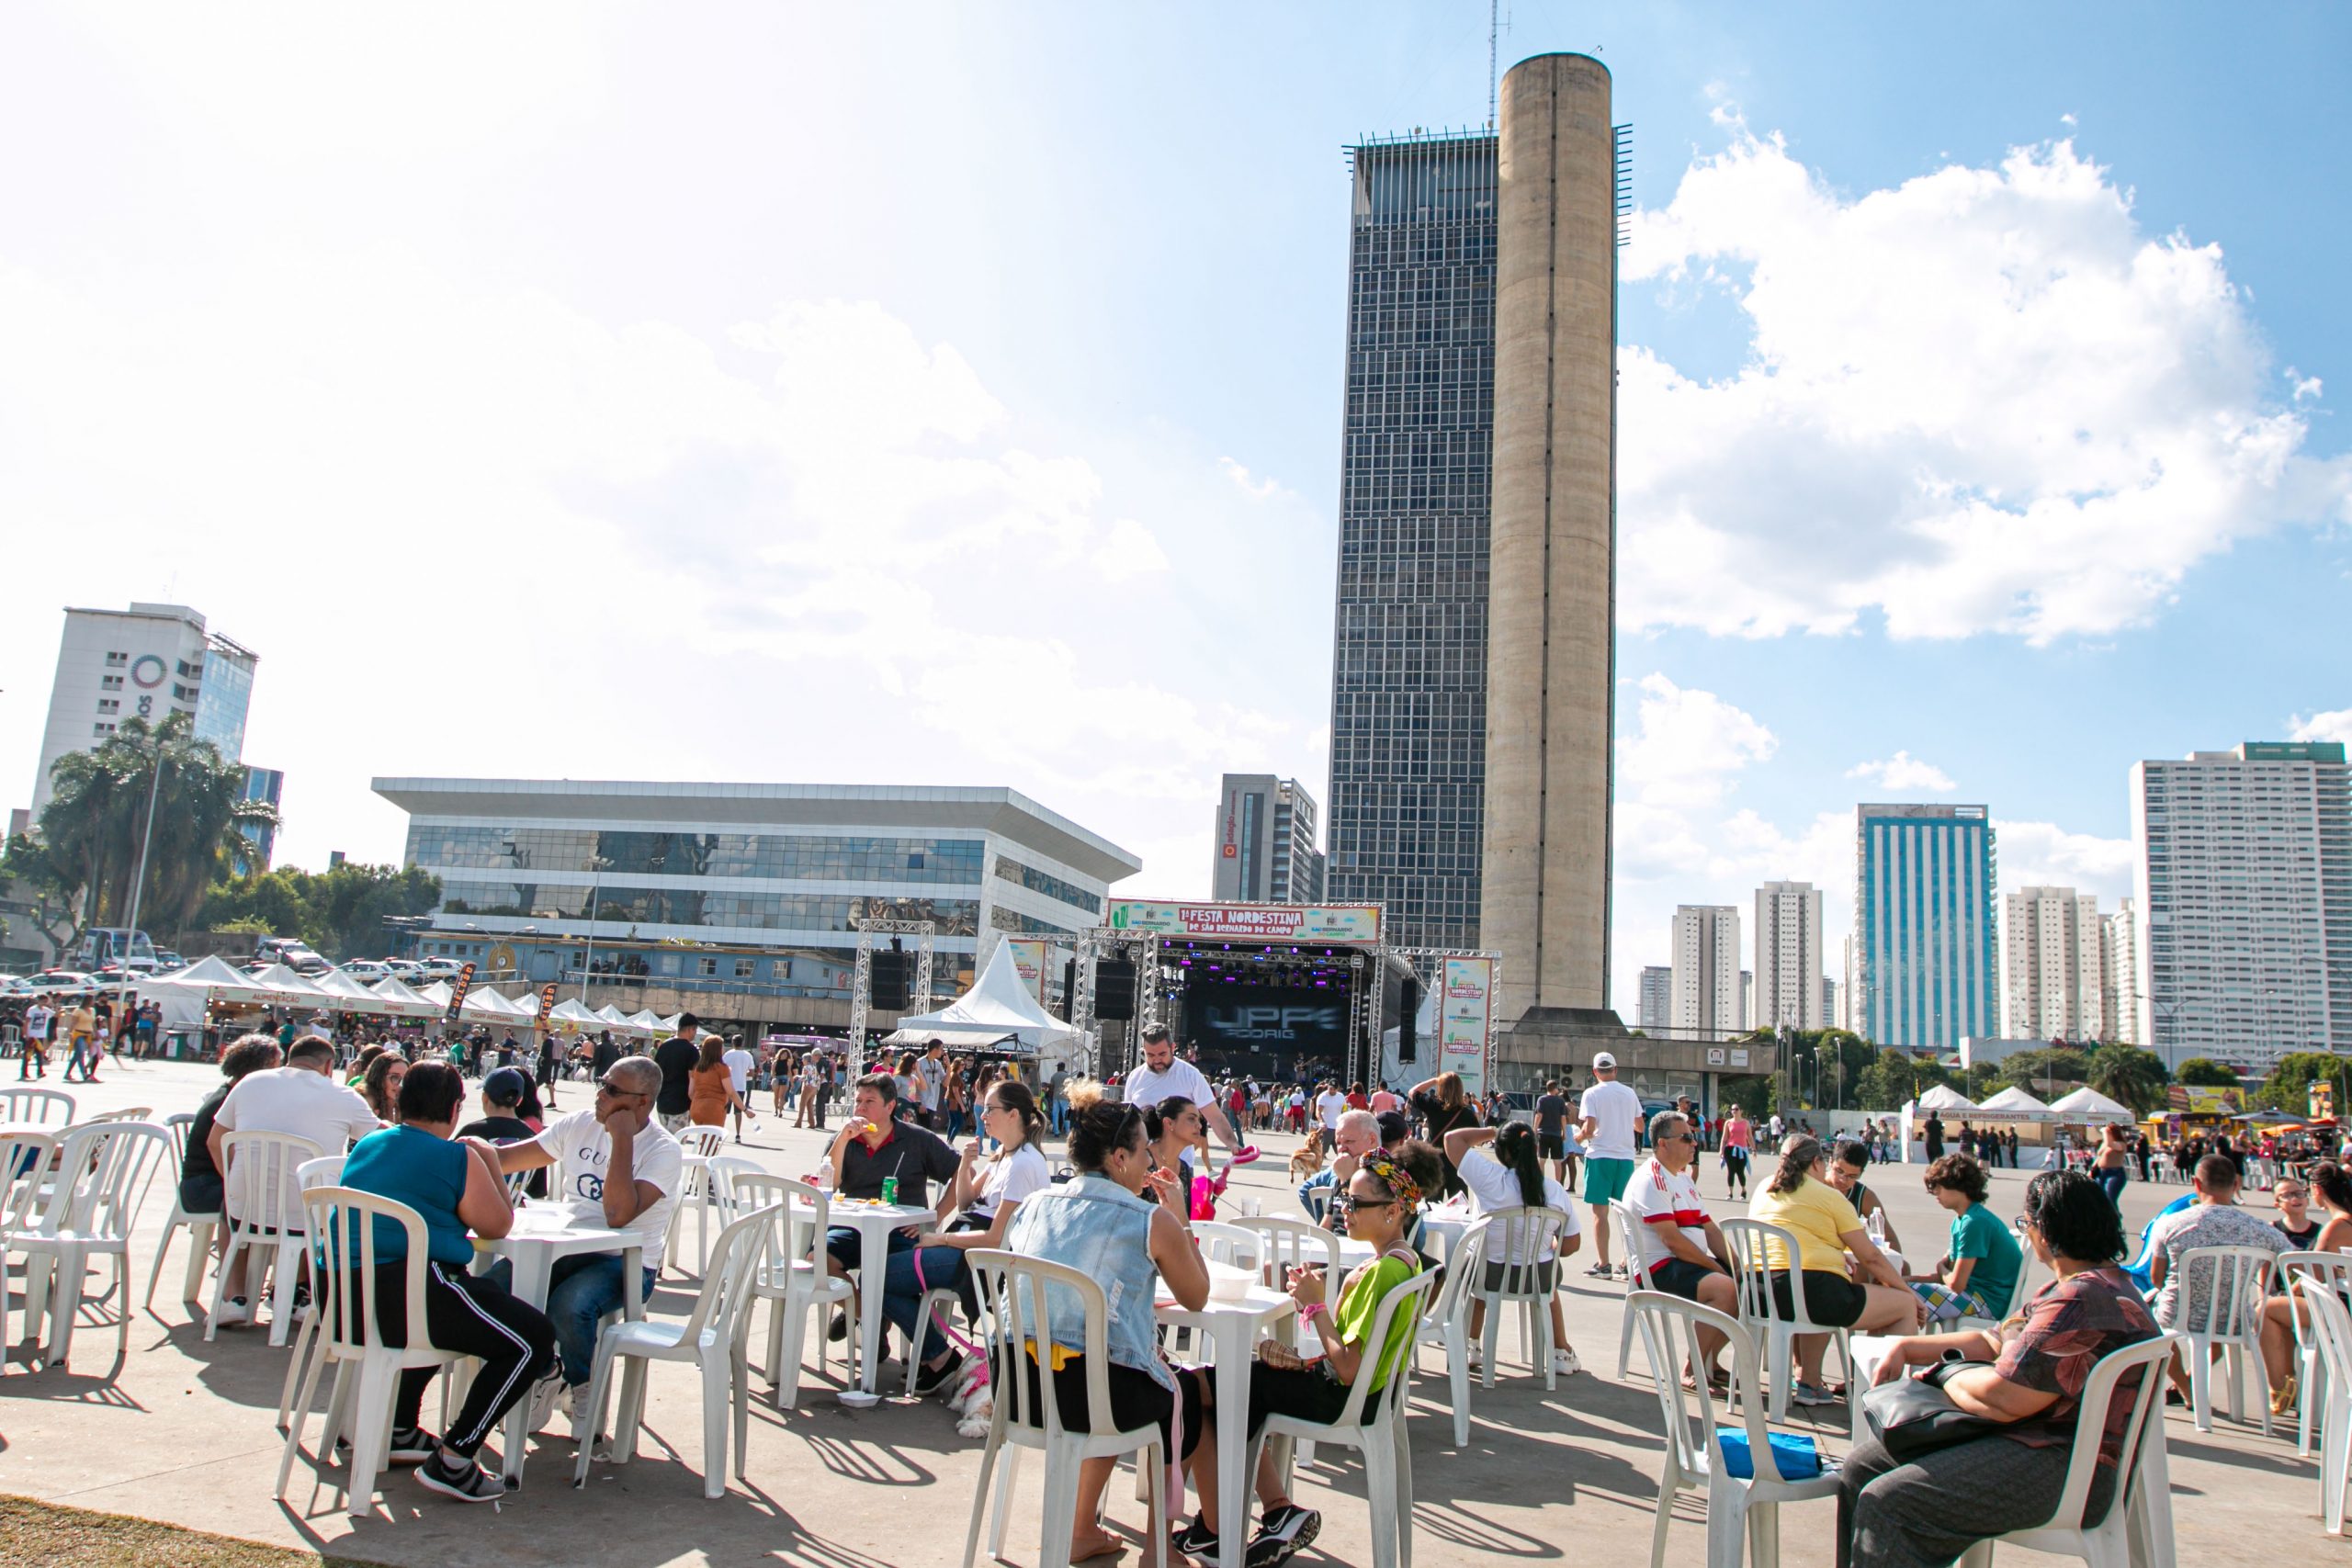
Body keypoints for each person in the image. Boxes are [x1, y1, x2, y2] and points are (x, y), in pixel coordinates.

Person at [1842, 1169, 2160, 1568]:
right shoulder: (2097, 1285)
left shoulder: (2079, 1300)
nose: (2027, 1232)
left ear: (2044, 1230)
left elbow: (2002, 1399)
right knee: (1861, 1468)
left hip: (2063, 1467)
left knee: (1891, 1501)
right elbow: (1996, 1338)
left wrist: (1948, 1373)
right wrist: (1909, 1347)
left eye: (2027, 1224)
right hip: (2046, 1447)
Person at [1180, 1147, 1425, 1568]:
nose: (1345, 1209)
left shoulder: (1384, 1272)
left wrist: (1317, 1307)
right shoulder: (1405, 1261)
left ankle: (1225, 1525)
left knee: (1201, 1387)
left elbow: (1347, 1367)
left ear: (1393, 1211)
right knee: (1220, 1387)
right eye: (1344, 1199)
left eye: (1356, 1203)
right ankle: (1268, 1514)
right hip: (1366, 1395)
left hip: (1339, 1395)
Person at [1004, 1087, 1210, 1565]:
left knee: (1105, 1362)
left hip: (1021, 1390)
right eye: (1144, 1151)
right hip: (1090, 1397)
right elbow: (1197, 1297)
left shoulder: (1033, 1205)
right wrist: (1178, 1217)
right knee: (1182, 1396)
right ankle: (1159, 1548)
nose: (1149, 1160)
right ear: (1119, 1158)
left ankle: (1080, 1531)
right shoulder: (1150, 1219)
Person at [339, 1061, 559, 1504]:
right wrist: (486, 1159)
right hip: (408, 1299)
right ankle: (457, 1457)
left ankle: (400, 1428)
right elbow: (498, 1225)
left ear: (400, 1102)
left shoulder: (368, 1144)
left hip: (346, 1299)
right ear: (457, 1108)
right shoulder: (455, 1156)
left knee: (477, 1300)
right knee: (531, 1339)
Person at [494, 1055, 682, 1429]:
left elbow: (618, 1214)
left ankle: (583, 1387)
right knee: (492, 1291)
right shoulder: (579, 1124)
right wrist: (464, 1151)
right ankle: (548, 1371)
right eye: (601, 1082)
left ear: (642, 1102)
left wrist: (622, 1137)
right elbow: (510, 1159)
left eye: (612, 1090)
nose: (599, 1094)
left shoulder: (663, 1150)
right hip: (566, 1248)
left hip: (626, 1262)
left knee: (571, 1303)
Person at [884, 1079, 1051, 1396]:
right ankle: (936, 1356)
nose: (983, 1114)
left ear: (1013, 1114)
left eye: (990, 1109)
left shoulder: (1023, 1163)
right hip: (969, 1250)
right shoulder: (1005, 1154)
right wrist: (965, 1166)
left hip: (981, 1260)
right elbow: (966, 1204)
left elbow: (995, 1236)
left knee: (879, 1276)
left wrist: (940, 1240)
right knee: (884, 1273)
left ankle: (939, 1357)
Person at [207, 1034, 385, 1328]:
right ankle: (304, 1295)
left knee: (231, 1207)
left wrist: (234, 1182)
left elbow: (216, 1141)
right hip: (306, 1215)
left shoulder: (250, 1083)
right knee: (325, 1200)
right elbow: (380, 1141)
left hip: (246, 1207)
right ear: (329, 1066)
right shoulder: (343, 1096)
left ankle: (233, 1297)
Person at [1750, 1134, 1920, 1402]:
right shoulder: (1830, 1198)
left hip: (1758, 1293)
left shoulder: (1764, 1188)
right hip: (1810, 1295)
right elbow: (1872, 1258)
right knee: (1901, 1306)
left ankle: (1810, 1382)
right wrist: (1909, 1294)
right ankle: (1881, 1396)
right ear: (1819, 1162)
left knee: (1826, 1283)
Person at [2145, 1153, 2295, 1406]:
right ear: (2236, 1184)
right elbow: (2294, 1260)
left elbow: (2156, 1278)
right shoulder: (2258, 1228)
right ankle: (2190, 1382)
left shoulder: (2170, 1223)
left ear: (2196, 1184)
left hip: (2180, 1312)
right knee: (2217, 1327)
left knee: (2153, 1329)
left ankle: (2186, 1387)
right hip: (2235, 1317)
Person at [820, 1074, 961, 1336]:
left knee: (881, 1276)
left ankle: (878, 1326)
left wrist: (935, 1217)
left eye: (869, 1101)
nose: (860, 1108)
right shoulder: (844, 1139)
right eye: (858, 1101)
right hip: (853, 1226)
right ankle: (869, 1318)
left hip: (901, 1229)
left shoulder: (917, 1139)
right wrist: (842, 1140)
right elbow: (827, 1185)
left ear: (890, 1106)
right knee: (817, 1261)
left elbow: (963, 1172)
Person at [1446, 1121, 1584, 1376]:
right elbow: (1572, 1245)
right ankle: (1561, 1350)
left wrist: (1493, 1131)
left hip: (1490, 1275)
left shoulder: (1490, 1179)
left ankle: (1471, 1344)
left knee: (1479, 1261)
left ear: (1503, 1151)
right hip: (1537, 1278)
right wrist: (1548, 1245)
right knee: (1550, 1273)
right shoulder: (1554, 1190)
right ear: (1535, 1149)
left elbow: (1452, 1139)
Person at [1630, 1111, 1741, 1384]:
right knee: (1726, 1289)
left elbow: (1710, 1228)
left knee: (1750, 1284)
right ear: (1663, 1143)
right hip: (1658, 1267)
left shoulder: (1683, 1177)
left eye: (1695, 1137)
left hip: (1687, 1261)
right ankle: (1692, 1367)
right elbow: (1673, 1241)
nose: (1695, 1143)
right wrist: (1716, 1267)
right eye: (1687, 1138)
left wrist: (1739, 1266)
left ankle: (1708, 1361)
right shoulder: (1652, 1178)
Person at [176, 1034, 284, 1269]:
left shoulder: (231, 1093)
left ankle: (261, 1279)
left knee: (273, 1198)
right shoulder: (227, 1101)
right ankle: (242, 1284)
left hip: (208, 1183)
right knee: (272, 1203)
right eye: (277, 1067)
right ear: (261, 1069)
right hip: (202, 1188)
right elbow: (221, 1152)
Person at [1910, 1153, 2024, 1325]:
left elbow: (1955, 1283)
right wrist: (1909, 1279)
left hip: (1985, 1302)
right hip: (1973, 1295)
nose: (1935, 1193)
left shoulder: (1974, 1222)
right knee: (1901, 1289)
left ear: (1957, 1185)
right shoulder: (1964, 1220)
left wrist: (1940, 1267)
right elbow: (1950, 1277)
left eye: (1939, 1186)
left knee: (1902, 1298)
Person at [1124, 1025, 1247, 1157]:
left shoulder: (1190, 1075)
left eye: (1162, 1054)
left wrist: (1232, 1143)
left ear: (1173, 1047)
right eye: (1150, 1055)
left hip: (1180, 1164)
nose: (1157, 1060)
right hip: (1143, 1162)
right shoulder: (1135, 1077)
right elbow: (1128, 1122)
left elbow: (1215, 1117)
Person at [1575, 1052, 1645, 1278]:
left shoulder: (1591, 1093)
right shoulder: (1629, 1093)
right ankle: (1626, 1264)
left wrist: (1577, 1139)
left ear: (1595, 1072)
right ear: (1615, 1069)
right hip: (1625, 1158)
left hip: (1600, 1155)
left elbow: (1589, 1128)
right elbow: (1640, 1126)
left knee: (1600, 1214)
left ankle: (1604, 1264)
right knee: (1626, 1214)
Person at [1405, 1071, 1480, 1200]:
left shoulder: (1433, 1106)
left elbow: (1412, 1092)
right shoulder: (1467, 1114)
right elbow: (1477, 1140)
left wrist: (1435, 1080)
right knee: (1461, 1209)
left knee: (1432, 1207)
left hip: (1435, 1164)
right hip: (1457, 1164)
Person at [1299, 1110, 1379, 1221]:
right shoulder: (1340, 1174)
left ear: (1371, 1140)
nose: (1342, 1148)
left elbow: (1357, 1221)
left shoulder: (1384, 1175)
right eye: (1338, 1143)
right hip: (1336, 1238)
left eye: (1349, 1141)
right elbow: (1326, 1228)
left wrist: (1346, 1181)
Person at [653, 1013, 701, 1133]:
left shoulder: (663, 1046)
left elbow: (656, 1072)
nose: (695, 1033)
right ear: (690, 1029)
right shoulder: (692, 1051)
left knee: (665, 1142)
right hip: (681, 1104)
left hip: (662, 1102)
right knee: (676, 1145)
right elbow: (692, 1079)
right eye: (695, 1030)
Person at [687, 1035, 743, 1129]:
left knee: (704, 1139)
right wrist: (744, 1109)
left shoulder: (697, 1068)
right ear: (717, 1050)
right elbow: (731, 1092)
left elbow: (690, 1093)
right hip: (714, 1109)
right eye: (722, 1047)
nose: (724, 1050)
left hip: (696, 1108)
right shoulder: (722, 1068)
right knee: (712, 1141)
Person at [1533, 1081, 1572, 1185]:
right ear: (1555, 1089)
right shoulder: (1560, 1101)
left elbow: (1539, 1116)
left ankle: (1540, 1183)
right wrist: (1564, 1132)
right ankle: (1558, 1184)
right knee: (1557, 1161)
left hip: (1543, 1133)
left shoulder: (1541, 1099)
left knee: (1541, 1160)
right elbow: (1563, 1118)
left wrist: (1534, 1130)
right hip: (1556, 1134)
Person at [362, 1051, 409, 1125]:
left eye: (406, 1078)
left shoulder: (407, 1107)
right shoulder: (366, 1104)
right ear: (379, 1077)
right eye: (395, 1077)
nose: (401, 1085)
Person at [2093, 1124, 2131, 1207]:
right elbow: (2100, 1156)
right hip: (2101, 1172)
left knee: (2110, 1198)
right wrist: (2092, 1170)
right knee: (2098, 1198)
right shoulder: (2105, 1144)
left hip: (2114, 1173)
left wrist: (2105, 1132)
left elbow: (2109, 1144)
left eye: (2109, 1133)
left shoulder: (2120, 1144)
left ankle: (2115, 1217)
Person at [916, 1039, 949, 1132]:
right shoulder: (919, 1062)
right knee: (923, 1133)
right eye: (941, 1049)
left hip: (933, 1104)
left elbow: (945, 1083)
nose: (943, 1052)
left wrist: (949, 1067)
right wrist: (920, 1102)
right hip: (923, 1104)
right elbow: (914, 1083)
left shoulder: (938, 1064)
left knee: (928, 1132)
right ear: (934, 1049)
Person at [1721, 1106, 1754, 1199]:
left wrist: (1753, 1149)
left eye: (1736, 1109)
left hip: (1742, 1150)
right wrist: (1721, 1150)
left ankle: (1743, 1190)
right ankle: (1730, 1193)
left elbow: (1750, 1137)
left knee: (1740, 1171)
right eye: (1733, 1109)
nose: (1734, 1111)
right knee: (1731, 1170)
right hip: (1730, 1149)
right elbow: (1724, 1138)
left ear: (1741, 1111)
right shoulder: (1728, 1122)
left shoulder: (1746, 1123)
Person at [18, 998, 51, 1078]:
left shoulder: (46, 1010)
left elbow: (56, 1014)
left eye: (45, 1001)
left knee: (40, 1054)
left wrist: (55, 1007)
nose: (43, 1003)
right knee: (28, 1054)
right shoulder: (32, 1010)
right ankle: (24, 1073)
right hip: (32, 1035)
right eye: (42, 1001)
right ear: (38, 1001)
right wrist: (26, 1034)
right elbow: (27, 1022)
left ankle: (39, 1072)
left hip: (40, 1035)